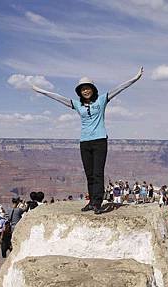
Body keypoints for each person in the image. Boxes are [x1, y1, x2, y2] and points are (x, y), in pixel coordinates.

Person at [32, 67, 144, 214]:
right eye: (82, 89)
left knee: (98, 173)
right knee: (89, 174)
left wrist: (135, 78)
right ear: (80, 92)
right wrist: (41, 91)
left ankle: (98, 203)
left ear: (92, 89)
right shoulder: (77, 105)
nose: (85, 91)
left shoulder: (102, 100)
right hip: (85, 142)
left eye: (87, 88)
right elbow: (58, 97)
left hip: (100, 140)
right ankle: (91, 202)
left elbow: (119, 88)